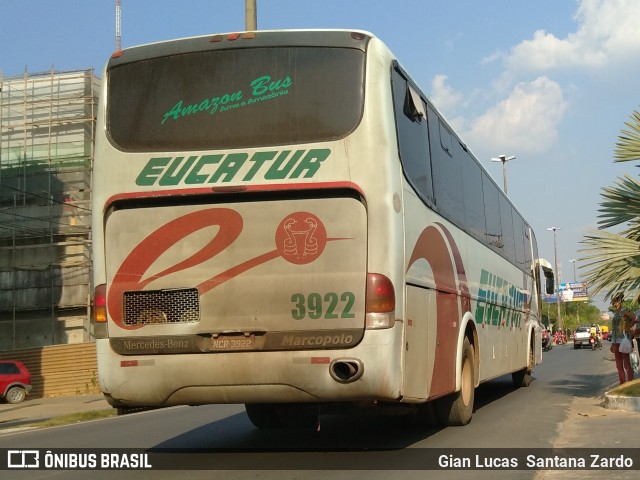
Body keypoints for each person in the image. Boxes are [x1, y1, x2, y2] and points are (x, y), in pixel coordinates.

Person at [610, 293, 636, 384]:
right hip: (616, 341)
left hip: (624, 340)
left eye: (615, 301)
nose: (613, 303)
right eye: (612, 301)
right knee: (618, 365)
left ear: (620, 301)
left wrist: (628, 327)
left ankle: (630, 383)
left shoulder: (624, 311)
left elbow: (634, 319)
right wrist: (612, 343)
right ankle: (622, 384)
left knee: (626, 364)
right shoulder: (615, 313)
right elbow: (614, 329)